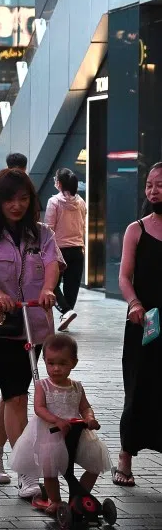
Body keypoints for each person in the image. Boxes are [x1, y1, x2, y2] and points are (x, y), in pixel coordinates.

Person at [0, 168, 63, 499]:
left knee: (13, 394)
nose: (17, 205)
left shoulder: (44, 234)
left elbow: (52, 265)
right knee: (17, 396)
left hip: (35, 323)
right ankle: (27, 472)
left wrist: (49, 289)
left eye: (24, 199)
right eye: (10, 199)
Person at [9, 334, 110, 515]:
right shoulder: (43, 385)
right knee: (50, 469)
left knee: (95, 464)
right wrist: (56, 420)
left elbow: (85, 407)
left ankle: (80, 496)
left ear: (74, 363)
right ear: (45, 362)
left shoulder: (77, 386)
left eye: (62, 364)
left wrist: (89, 418)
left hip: (76, 432)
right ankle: (55, 500)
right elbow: (39, 408)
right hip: (50, 432)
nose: (56, 369)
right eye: (51, 363)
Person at [115, 161, 162, 487]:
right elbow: (123, 276)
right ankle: (125, 458)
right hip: (145, 321)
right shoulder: (137, 229)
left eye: (160, 184)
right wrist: (134, 303)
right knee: (138, 388)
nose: (153, 190)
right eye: (150, 184)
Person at [45, 168, 86, 331]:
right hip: (77, 249)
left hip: (59, 249)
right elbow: (82, 225)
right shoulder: (81, 202)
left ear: (59, 183)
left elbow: (49, 228)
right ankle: (66, 315)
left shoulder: (53, 202)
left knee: (50, 283)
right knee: (72, 285)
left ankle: (66, 311)